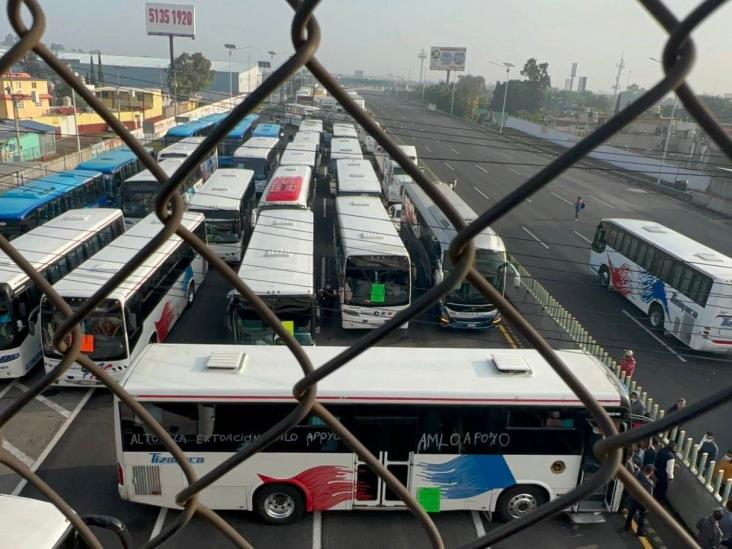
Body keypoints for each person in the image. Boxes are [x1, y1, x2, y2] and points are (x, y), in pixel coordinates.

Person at [624, 464, 655, 536]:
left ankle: (627, 526)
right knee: (642, 517)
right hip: (642, 502)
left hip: (634, 497)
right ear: (651, 472)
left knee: (631, 513)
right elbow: (649, 496)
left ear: (644, 469)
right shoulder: (649, 483)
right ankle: (640, 532)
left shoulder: (637, 474)